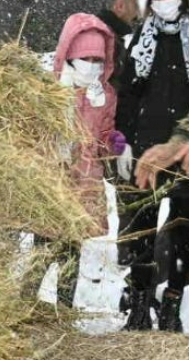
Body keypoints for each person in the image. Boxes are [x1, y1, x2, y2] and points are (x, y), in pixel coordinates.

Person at [115, 0, 189, 332]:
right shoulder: (144, 36)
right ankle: (140, 304)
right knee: (141, 231)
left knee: (184, 231)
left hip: (185, 150)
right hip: (146, 151)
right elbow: (128, 94)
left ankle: (172, 302)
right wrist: (124, 141)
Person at [53, 13, 124, 233]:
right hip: (53, 178)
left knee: (74, 243)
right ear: (70, 57)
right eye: (86, 59)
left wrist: (113, 141)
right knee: (48, 233)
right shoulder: (51, 92)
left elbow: (104, 131)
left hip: (87, 180)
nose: (92, 67)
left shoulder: (105, 95)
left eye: (98, 61)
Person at [96, 0, 141, 88]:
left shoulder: (111, 37)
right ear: (120, 6)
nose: (138, 16)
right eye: (137, 7)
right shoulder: (105, 39)